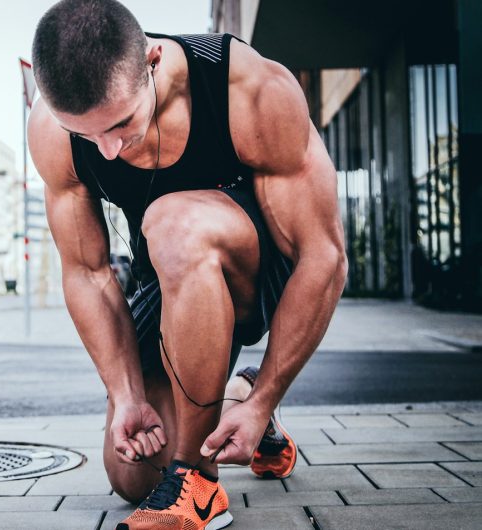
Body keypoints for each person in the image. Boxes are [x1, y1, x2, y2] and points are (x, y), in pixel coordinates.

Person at [27, 1, 347, 528]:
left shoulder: (248, 89)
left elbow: (324, 256)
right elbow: (87, 272)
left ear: (152, 62)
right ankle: (231, 395)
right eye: (88, 136)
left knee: (173, 222)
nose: (107, 151)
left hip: (256, 271)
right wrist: (126, 394)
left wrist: (268, 398)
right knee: (132, 477)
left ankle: (197, 485)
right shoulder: (52, 129)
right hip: (168, 276)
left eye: (122, 123)